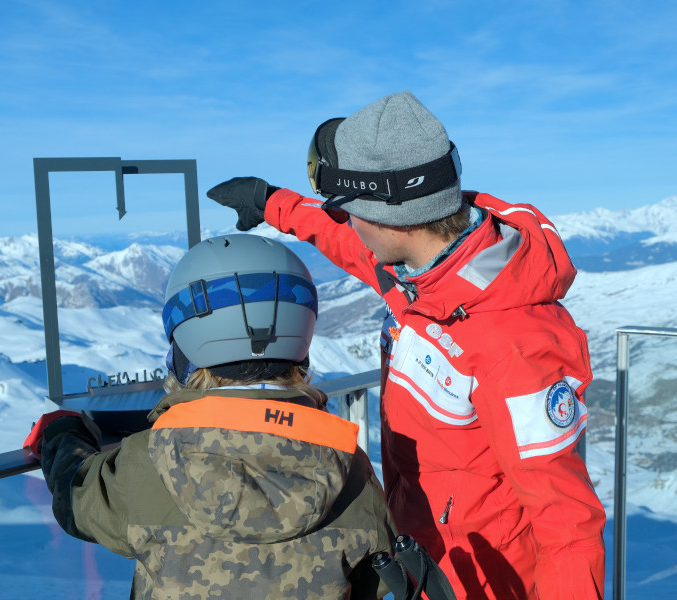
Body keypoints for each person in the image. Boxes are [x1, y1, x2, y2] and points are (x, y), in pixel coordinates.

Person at [207, 91, 607, 599]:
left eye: (350, 209)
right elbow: (344, 240)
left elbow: (568, 525)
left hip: (485, 581)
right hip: (424, 557)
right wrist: (273, 203)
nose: (347, 222)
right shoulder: (423, 274)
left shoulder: (511, 342)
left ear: (386, 215)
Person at [24, 233, 396, 599]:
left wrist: (63, 432)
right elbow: (378, 578)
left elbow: (77, 498)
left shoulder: (150, 459)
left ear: (185, 349)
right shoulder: (350, 468)